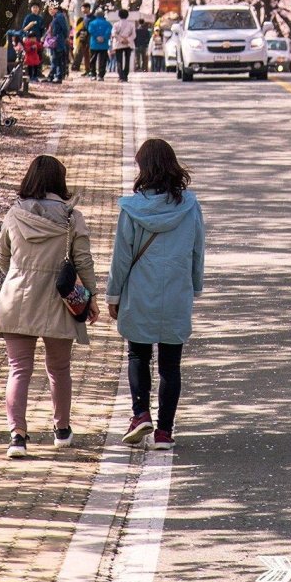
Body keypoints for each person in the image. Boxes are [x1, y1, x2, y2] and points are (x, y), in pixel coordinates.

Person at [0, 155, 99, 459]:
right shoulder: (71, 218)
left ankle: (17, 437)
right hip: (59, 302)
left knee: (18, 370)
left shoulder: (14, 215)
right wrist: (91, 297)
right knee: (59, 369)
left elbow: (1, 258)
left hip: (17, 299)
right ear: (59, 182)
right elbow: (83, 261)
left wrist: (20, 274)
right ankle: (61, 430)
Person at [106, 138, 204, 449]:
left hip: (139, 292)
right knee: (170, 365)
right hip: (176, 293)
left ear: (144, 169)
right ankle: (164, 431)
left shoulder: (132, 209)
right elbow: (196, 251)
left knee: (138, 354)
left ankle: (140, 414)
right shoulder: (190, 206)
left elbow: (121, 257)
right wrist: (195, 286)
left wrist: (113, 295)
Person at [87, 7, 112, 80]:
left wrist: (97, 36)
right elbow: (109, 31)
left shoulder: (92, 23)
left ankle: (93, 74)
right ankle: (101, 75)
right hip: (104, 44)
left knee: (92, 60)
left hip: (94, 44)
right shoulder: (108, 24)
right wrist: (103, 37)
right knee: (102, 60)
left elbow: (90, 30)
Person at [48, 4, 70, 84]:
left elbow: (64, 28)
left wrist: (64, 37)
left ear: (56, 9)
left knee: (56, 59)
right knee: (57, 59)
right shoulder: (56, 17)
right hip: (57, 40)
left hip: (58, 41)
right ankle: (56, 76)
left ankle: (55, 76)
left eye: (51, 9)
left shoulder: (59, 16)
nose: (50, 11)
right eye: (49, 9)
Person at [111, 9, 135, 82]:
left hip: (118, 44)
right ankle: (125, 76)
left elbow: (114, 34)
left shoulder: (116, 24)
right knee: (127, 60)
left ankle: (121, 76)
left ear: (119, 15)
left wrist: (121, 40)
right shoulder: (131, 24)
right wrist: (127, 40)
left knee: (119, 60)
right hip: (128, 44)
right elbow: (134, 35)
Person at [73, 2, 92, 74]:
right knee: (85, 54)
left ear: (88, 8)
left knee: (90, 54)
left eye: (85, 8)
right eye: (82, 8)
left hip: (89, 38)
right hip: (83, 38)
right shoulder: (84, 18)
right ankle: (87, 70)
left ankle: (90, 69)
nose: (83, 9)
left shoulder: (92, 17)